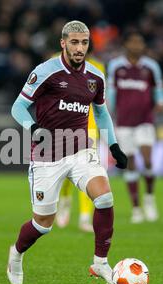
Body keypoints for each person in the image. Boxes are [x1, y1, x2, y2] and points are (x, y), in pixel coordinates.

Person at [7, 20, 127, 284]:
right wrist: (34, 127)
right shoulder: (46, 71)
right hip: (47, 155)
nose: (80, 47)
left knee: (105, 198)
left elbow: (101, 112)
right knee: (43, 224)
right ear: (63, 43)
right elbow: (18, 107)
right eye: (74, 42)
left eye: (84, 42)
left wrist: (114, 146)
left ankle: (100, 263)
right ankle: (15, 254)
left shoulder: (95, 76)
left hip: (81, 149)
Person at [107, 31, 163, 224]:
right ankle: (136, 208)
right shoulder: (116, 67)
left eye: (139, 42)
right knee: (130, 162)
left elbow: (158, 89)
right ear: (126, 44)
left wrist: (161, 101)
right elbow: (111, 92)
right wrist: (107, 111)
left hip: (145, 120)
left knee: (147, 159)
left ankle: (149, 197)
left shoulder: (151, 67)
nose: (136, 45)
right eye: (133, 42)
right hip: (124, 122)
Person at [56, 50, 105, 233]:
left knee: (89, 172)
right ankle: (65, 200)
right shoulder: (54, 62)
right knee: (66, 171)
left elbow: (100, 101)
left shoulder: (98, 68)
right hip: (64, 124)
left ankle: (85, 217)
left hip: (89, 126)